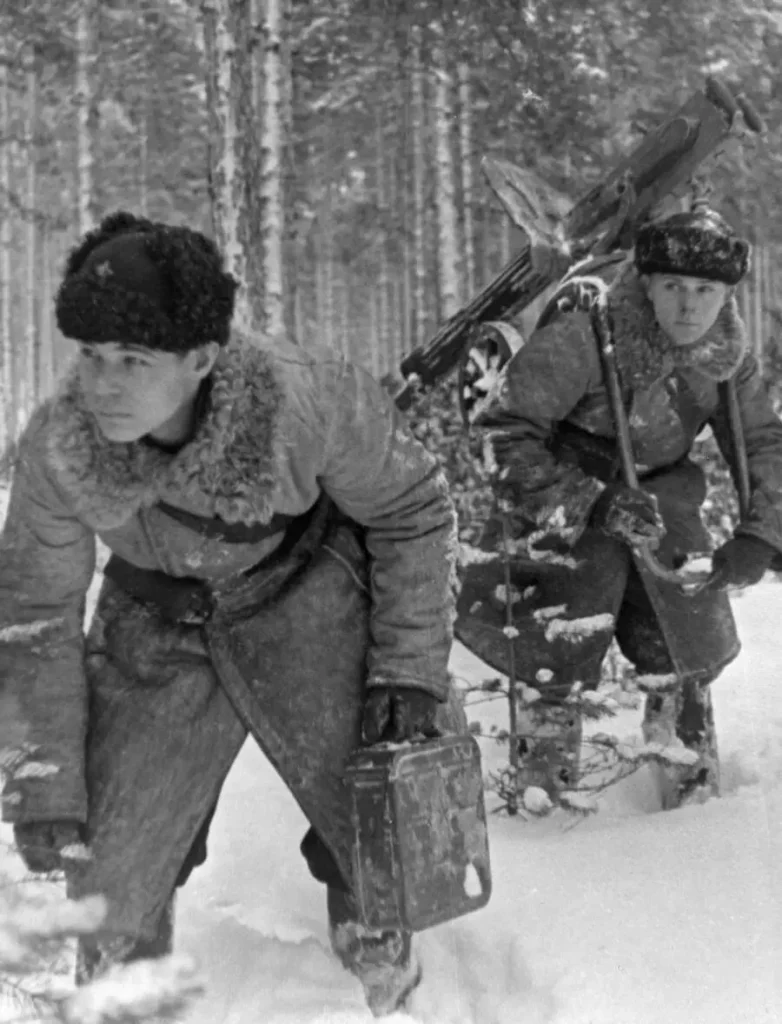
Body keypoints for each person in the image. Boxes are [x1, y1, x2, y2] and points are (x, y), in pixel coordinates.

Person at [0, 210, 467, 1016]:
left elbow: (415, 510)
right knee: (109, 864)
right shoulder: (60, 446)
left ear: (201, 359)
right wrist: (43, 783)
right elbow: (35, 613)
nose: (102, 383)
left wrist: (409, 669)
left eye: (133, 359)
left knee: (382, 807)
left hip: (301, 592)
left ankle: (376, 947)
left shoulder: (307, 398)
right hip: (155, 613)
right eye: (91, 355)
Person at [455, 204, 782, 810]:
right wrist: (589, 501)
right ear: (647, 284)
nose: (689, 307)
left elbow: (764, 442)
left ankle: (693, 797)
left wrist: (763, 533)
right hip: (566, 490)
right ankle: (541, 796)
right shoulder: (584, 337)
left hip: (661, 495)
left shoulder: (726, 357)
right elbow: (501, 434)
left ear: (727, 296)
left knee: (686, 641)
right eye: (674, 287)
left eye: (706, 291)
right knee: (557, 644)